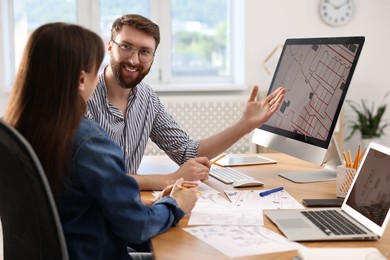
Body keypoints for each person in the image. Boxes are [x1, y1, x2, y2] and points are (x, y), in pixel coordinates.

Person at [4, 22, 198, 260]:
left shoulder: (13, 129)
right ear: (82, 80)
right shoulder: (90, 143)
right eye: (96, 71)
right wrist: (175, 204)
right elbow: (136, 228)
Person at [87, 14, 286, 191]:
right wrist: (170, 179)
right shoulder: (83, 97)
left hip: (124, 204)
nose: (134, 60)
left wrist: (245, 125)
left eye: (145, 52)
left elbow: (187, 153)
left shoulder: (147, 98)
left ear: (153, 57)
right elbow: (94, 178)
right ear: (110, 46)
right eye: (126, 47)